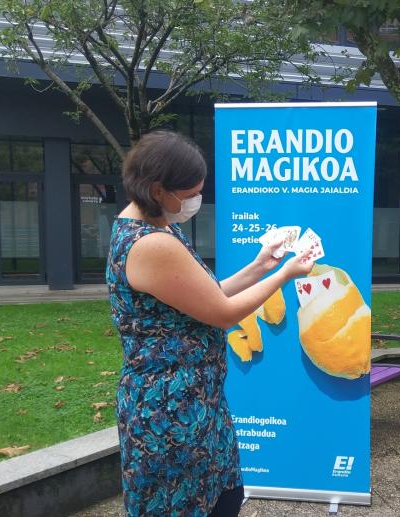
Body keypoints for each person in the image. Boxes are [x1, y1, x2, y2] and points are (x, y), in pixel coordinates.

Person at [106, 130, 314, 516]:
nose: (195, 202)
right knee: (194, 506)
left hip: (195, 399)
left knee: (223, 497)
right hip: (170, 409)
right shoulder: (153, 244)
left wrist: (259, 266)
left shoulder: (157, 226)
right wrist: (285, 274)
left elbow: (206, 295)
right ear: (157, 189)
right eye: (189, 195)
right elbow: (223, 312)